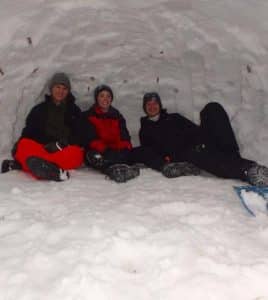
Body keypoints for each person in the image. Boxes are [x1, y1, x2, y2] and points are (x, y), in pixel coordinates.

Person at [139, 92, 268, 187]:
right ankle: (249, 170)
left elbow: (194, 130)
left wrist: (203, 139)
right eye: (148, 104)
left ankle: (234, 157)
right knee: (202, 155)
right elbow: (150, 152)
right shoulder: (145, 131)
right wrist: (166, 161)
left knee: (212, 108)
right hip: (187, 154)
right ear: (145, 108)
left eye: (155, 103)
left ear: (160, 105)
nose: (152, 106)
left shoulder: (174, 117)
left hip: (201, 142)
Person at [1, 72, 84, 181]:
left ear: (68, 91)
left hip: (62, 150)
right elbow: (29, 133)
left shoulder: (74, 111)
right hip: (41, 148)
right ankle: (49, 168)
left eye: (64, 88)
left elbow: (79, 134)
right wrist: (20, 146)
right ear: (51, 89)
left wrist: (61, 144)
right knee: (23, 144)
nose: (61, 91)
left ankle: (31, 165)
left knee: (77, 154)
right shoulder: (39, 109)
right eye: (57, 87)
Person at [78, 84, 140, 183]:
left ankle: (120, 168)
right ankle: (113, 169)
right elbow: (91, 139)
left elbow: (125, 138)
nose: (105, 99)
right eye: (102, 96)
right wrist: (107, 150)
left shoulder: (117, 116)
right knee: (93, 156)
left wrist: (123, 149)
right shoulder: (88, 116)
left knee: (131, 152)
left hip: (115, 150)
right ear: (96, 98)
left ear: (111, 99)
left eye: (108, 96)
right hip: (100, 151)